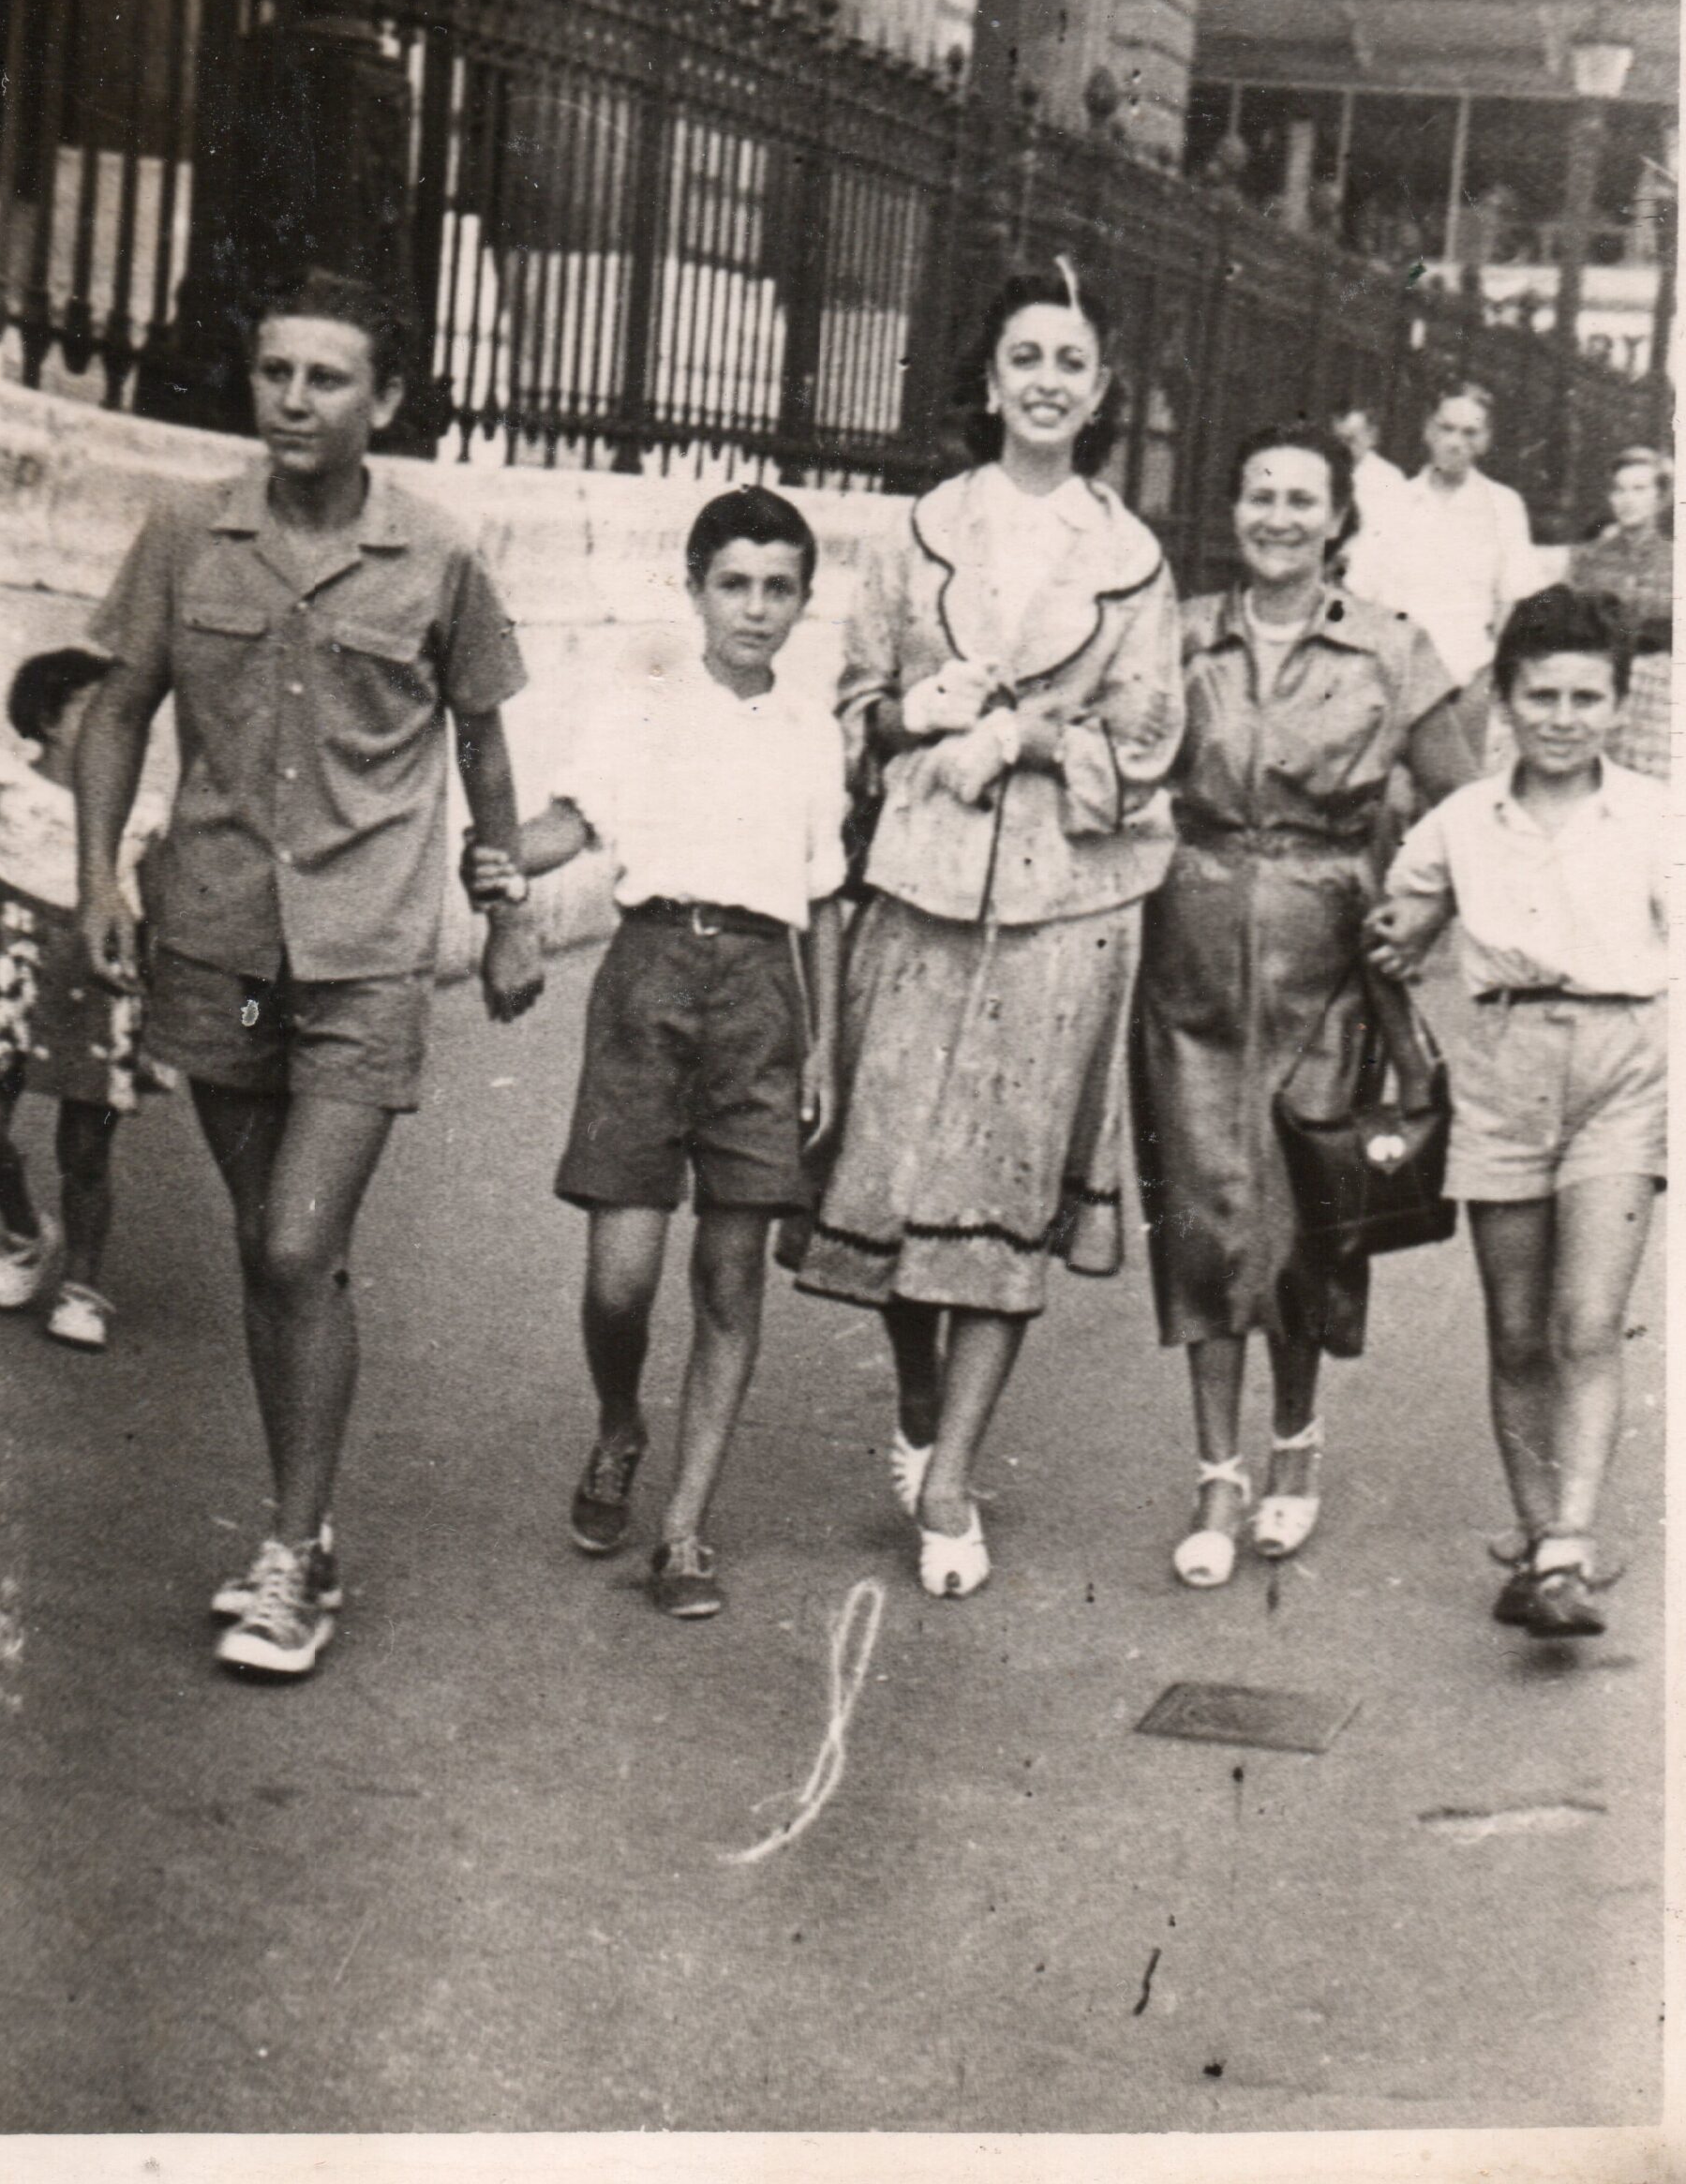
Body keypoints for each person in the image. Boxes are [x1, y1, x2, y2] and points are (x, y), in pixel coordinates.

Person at [74, 270, 545, 1680]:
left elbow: (485, 751)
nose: (292, 399)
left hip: (363, 953)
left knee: (294, 1244)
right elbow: (117, 710)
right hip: (216, 936)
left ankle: (289, 1554)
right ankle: (307, 1530)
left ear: (385, 401)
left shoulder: (441, 562)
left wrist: (507, 906)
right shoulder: (185, 533)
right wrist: (100, 875)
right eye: (275, 372)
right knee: (275, 1257)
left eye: (326, 378)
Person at [795, 263, 1185, 1600]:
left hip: (1064, 909)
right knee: (900, 1176)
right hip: (918, 885)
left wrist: (1023, 736)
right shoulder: (919, 533)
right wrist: (923, 715)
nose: (1046, 382)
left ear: (1101, 391)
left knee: (1006, 1187)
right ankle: (917, 1408)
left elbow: (1149, 741)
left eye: (1071, 362)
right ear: (986, 378)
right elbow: (852, 706)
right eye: (1025, 355)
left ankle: (952, 1475)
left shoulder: (1131, 563)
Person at [465, 486, 844, 1620]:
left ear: (803, 602)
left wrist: (824, 1048)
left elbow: (821, 900)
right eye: (735, 583)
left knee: (728, 1276)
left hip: (763, 1002)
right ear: (694, 590)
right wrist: (503, 862)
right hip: (648, 981)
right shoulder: (643, 702)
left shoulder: (811, 726)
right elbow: (570, 823)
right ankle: (620, 1421)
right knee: (619, 1279)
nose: (757, 608)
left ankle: (684, 1530)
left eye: (780, 588)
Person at [1131, 421, 1475, 1589]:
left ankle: (1293, 1444)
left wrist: (1418, 913)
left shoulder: (1391, 649)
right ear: (1233, 511)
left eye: (1302, 500)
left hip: (1329, 956)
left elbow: (1465, 801)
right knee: (1201, 1207)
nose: (1279, 516)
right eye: (1259, 494)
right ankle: (1214, 1469)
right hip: (1189, 944)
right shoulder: (1177, 636)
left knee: (1305, 1202)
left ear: (1339, 519)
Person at [1368, 587, 1664, 1638]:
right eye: (1543, 694)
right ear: (1506, 699)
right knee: (1516, 1327)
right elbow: (1397, 925)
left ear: (1620, 706)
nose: (1564, 716)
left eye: (1589, 696)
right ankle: (1540, 1540)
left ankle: (1571, 1550)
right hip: (1499, 1070)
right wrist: (1403, 940)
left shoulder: (1658, 818)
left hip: (1625, 1069)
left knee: (1587, 1320)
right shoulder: (1462, 822)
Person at [0, 649, 168, 1352]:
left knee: (85, 1151)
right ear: (47, 718)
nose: (121, 731)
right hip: (13, 963)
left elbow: (159, 913)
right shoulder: (6, 776)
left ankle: (82, 1287)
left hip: (101, 978)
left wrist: (161, 1005)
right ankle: (23, 1235)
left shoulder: (141, 811)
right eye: (101, 714)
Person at [1346, 382, 1540, 760]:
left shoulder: (1503, 506)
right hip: (1394, 684)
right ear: (1428, 431)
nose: (1456, 442)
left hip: (1465, 681)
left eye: (1470, 432)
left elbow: (1514, 603)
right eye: (1447, 428)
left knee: (1455, 802)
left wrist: (1491, 680)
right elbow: (1360, 596)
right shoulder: (1392, 502)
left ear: (1486, 440)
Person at [1566, 447, 1672, 780]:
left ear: (1661, 497)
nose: (1627, 500)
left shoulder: (1682, 563)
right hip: (1599, 684)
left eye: (1640, 490)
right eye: (1619, 490)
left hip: (1658, 697)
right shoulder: (1587, 559)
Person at [1329, 404, 1406, 547]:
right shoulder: (1326, 471)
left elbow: (1391, 533)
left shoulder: (1388, 479)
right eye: (1338, 440)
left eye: (1350, 440)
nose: (1343, 447)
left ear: (1372, 437)